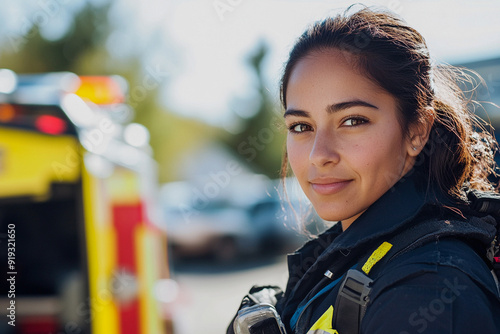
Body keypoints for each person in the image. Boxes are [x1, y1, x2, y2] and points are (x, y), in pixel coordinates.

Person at [227, 5, 500, 334]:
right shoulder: (352, 258)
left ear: (417, 130)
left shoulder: (426, 288)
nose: (319, 155)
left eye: (352, 121)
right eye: (301, 126)